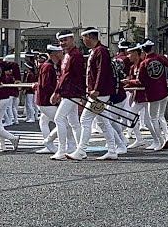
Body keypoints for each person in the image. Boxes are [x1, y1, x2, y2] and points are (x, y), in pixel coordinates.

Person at [70, 28, 121, 160]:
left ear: (89, 36)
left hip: (100, 93)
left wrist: (96, 89)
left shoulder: (101, 51)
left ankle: (81, 150)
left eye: (84, 37)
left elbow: (102, 72)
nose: (83, 40)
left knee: (85, 120)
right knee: (103, 121)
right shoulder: (97, 50)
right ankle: (112, 149)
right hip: (98, 92)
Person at [52, 31, 85, 160]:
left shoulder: (75, 55)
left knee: (59, 119)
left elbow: (68, 77)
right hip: (69, 92)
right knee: (73, 122)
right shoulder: (68, 55)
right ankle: (81, 149)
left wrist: (57, 92)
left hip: (72, 92)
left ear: (72, 39)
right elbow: (62, 76)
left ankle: (61, 150)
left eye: (65, 40)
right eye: (61, 41)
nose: (63, 43)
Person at [35, 45, 63, 156]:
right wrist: (56, 95)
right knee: (62, 123)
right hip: (46, 101)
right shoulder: (48, 67)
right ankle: (49, 142)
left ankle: (48, 145)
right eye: (60, 52)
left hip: (45, 100)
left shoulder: (52, 65)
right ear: (54, 54)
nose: (62, 54)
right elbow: (46, 85)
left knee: (43, 121)